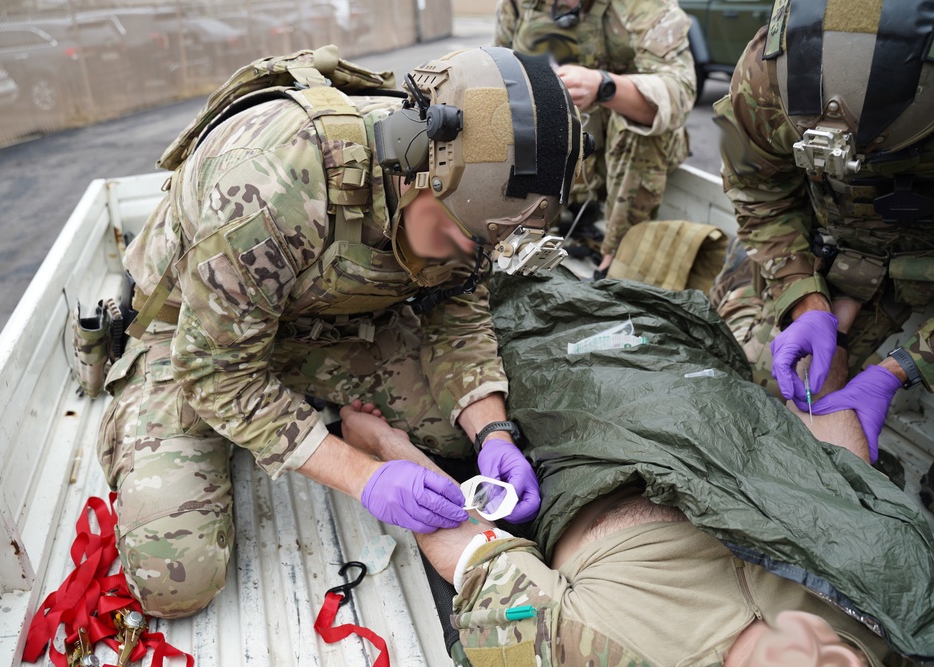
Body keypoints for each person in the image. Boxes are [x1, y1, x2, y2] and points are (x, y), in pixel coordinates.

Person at [96, 46, 588, 618]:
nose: (465, 255)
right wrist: (364, 476)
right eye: (458, 237)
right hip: (195, 341)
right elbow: (218, 370)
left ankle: (314, 420)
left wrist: (493, 432)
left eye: (480, 246)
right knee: (175, 582)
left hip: (316, 324)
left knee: (455, 440)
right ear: (413, 163)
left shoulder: (468, 208)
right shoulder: (271, 183)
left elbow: (456, 313)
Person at [338, 271, 934, 666]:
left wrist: (385, 451)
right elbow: (842, 486)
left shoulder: (597, 649)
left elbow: (471, 547)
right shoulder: (896, 614)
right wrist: (863, 389)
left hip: (592, 422)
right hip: (709, 408)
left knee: (512, 315)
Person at [710, 0, 934, 419]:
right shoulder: (764, 77)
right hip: (836, 245)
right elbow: (758, 191)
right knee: (761, 386)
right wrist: (805, 298)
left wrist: (902, 368)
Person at [493, 0, 696, 279]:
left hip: (626, 158)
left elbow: (680, 90)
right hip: (561, 152)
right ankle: (529, 232)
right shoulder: (518, 5)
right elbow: (498, 69)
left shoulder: (645, 6)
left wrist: (603, 86)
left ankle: (617, 258)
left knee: (637, 125)